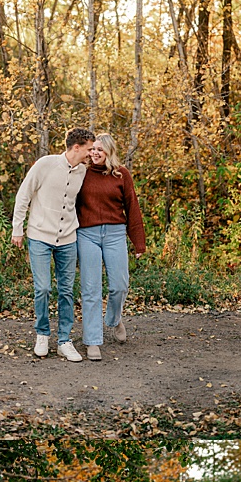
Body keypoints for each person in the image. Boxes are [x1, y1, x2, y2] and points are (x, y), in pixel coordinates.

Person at [12, 127, 96, 361]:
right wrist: (17, 228)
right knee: (44, 288)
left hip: (68, 238)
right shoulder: (45, 164)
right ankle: (42, 334)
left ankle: (64, 340)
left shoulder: (82, 171)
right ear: (76, 147)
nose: (91, 153)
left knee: (67, 291)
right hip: (39, 236)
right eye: (89, 149)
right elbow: (23, 195)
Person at [75, 133, 146, 361]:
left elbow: (132, 207)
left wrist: (138, 241)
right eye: (92, 149)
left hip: (115, 234)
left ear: (109, 152)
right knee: (91, 289)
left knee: (119, 285)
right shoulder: (81, 172)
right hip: (87, 234)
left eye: (100, 150)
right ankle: (93, 341)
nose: (94, 153)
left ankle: (114, 320)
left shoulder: (121, 174)